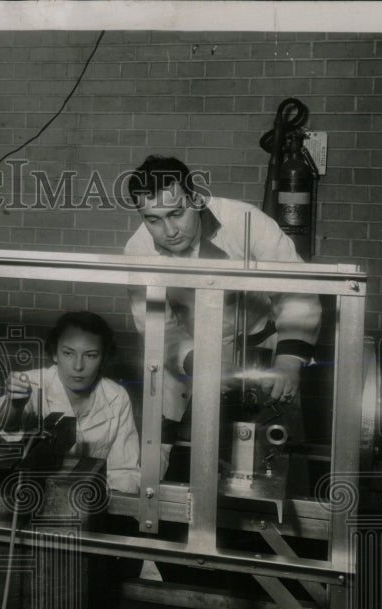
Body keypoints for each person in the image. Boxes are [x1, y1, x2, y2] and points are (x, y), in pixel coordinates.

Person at [124, 155, 322, 430]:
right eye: (153, 220)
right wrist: (197, 363)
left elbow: (297, 292)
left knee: (272, 442)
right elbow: (157, 325)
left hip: (260, 344)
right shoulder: (138, 251)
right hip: (189, 351)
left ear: (195, 200)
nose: (169, 231)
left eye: (176, 214)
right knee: (179, 444)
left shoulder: (245, 222)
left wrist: (289, 360)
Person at [0, 310, 141, 495]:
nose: (78, 366)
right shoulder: (33, 383)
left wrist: (95, 506)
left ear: (103, 359)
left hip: (93, 502)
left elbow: (124, 471)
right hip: (29, 498)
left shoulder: (116, 396)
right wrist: (15, 404)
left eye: (91, 355)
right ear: (55, 354)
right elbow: (8, 425)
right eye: (68, 353)